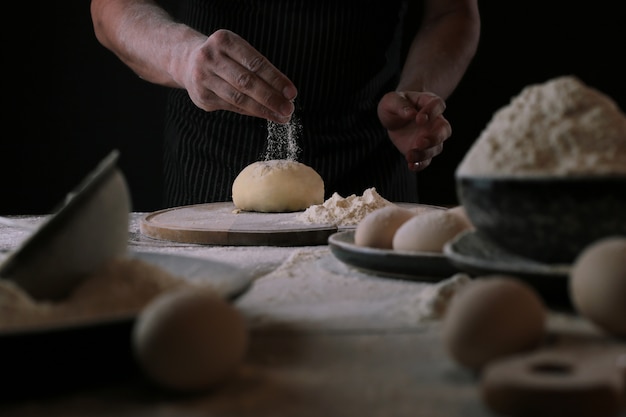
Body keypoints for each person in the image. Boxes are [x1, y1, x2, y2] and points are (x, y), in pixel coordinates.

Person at [90, 0, 480, 207]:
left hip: (372, 160)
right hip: (215, 161)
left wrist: (417, 92)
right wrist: (181, 57)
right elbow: (110, 7)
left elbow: (451, 10)